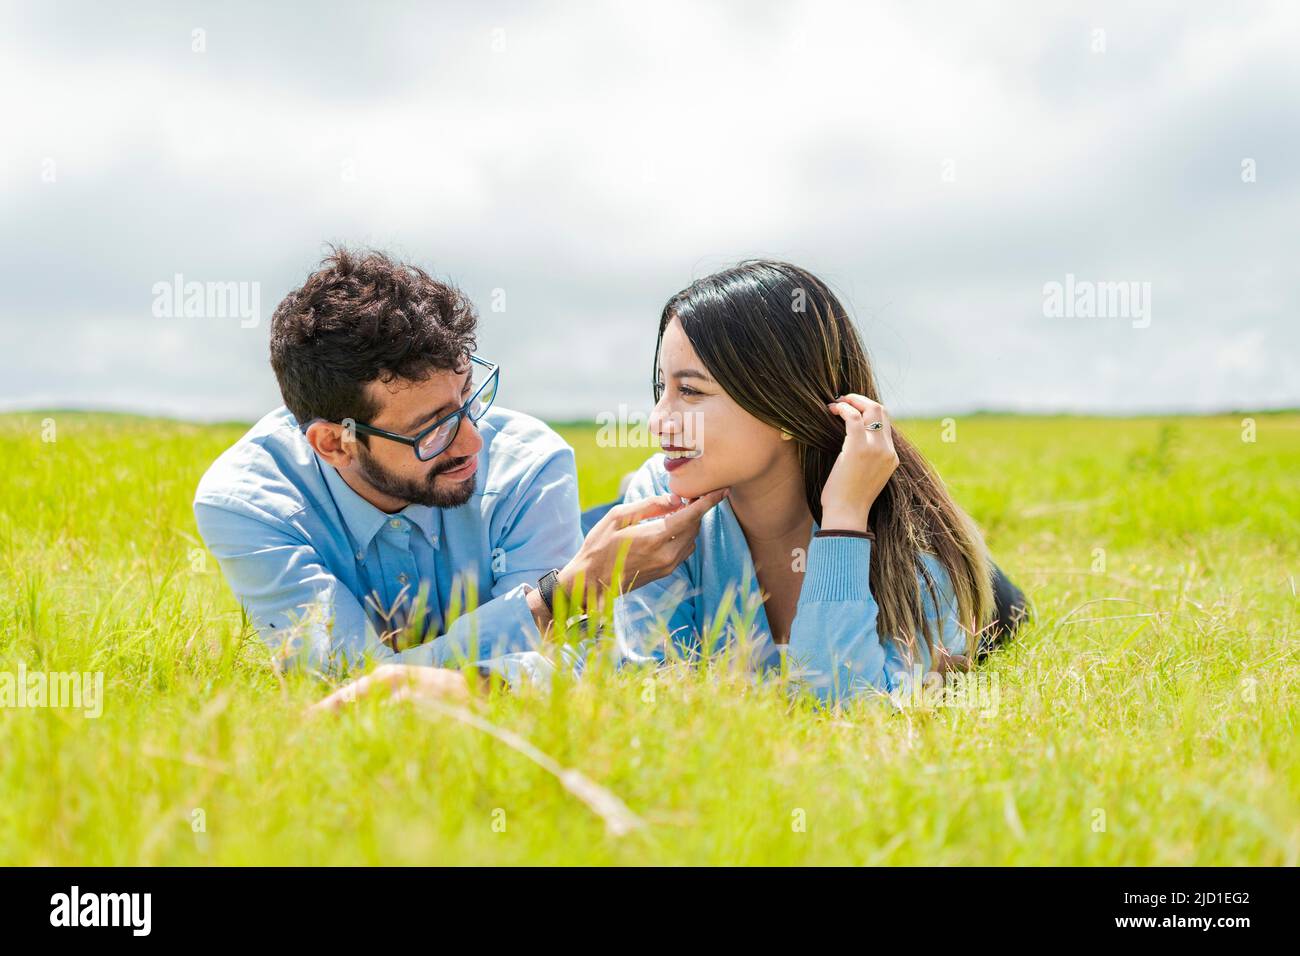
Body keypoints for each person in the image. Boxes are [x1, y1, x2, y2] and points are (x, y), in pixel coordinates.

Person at [194, 247, 725, 693]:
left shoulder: (529, 463)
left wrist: (423, 684)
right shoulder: (246, 504)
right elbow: (350, 685)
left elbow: (556, 669)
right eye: (433, 428)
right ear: (334, 443)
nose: (473, 440)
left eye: (468, 397)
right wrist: (555, 597)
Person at [613, 260, 1026, 705]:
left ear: (783, 405)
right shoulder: (656, 494)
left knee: (997, 596)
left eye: (690, 392)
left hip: (975, 593)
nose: (657, 422)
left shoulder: (916, 545)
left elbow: (845, 704)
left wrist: (844, 521)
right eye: (661, 390)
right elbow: (651, 688)